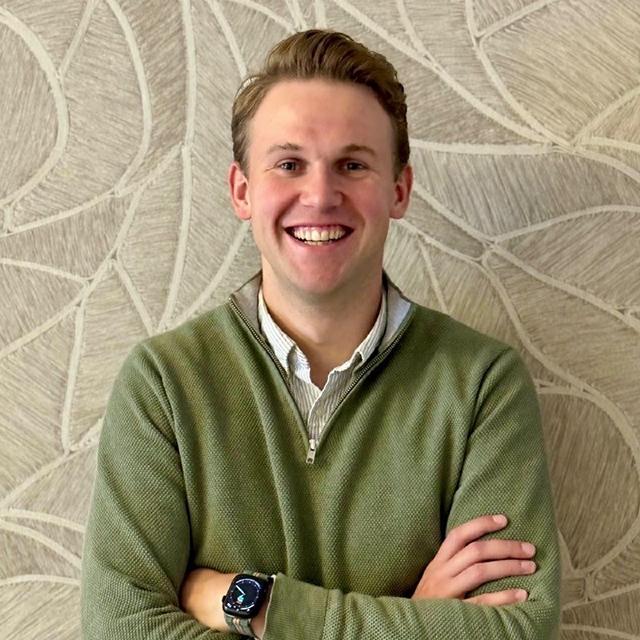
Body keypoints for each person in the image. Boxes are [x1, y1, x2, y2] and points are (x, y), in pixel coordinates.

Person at [80, 29, 561, 639]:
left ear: (399, 190)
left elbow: (518, 631)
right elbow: (118, 628)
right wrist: (418, 618)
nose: (320, 195)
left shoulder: (483, 385)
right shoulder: (164, 385)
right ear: (242, 192)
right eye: (289, 165)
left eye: (352, 165)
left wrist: (258, 606)